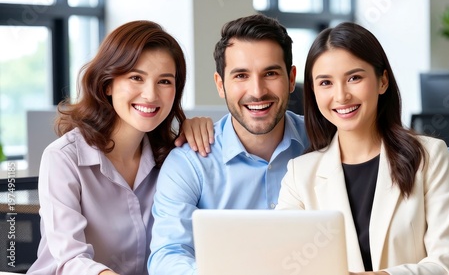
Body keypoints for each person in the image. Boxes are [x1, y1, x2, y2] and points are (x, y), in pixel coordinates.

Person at [275, 22, 449, 274]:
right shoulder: (299, 174)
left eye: (354, 78)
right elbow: (285, 263)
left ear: (382, 81)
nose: (341, 95)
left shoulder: (429, 157)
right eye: (325, 83)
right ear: (313, 91)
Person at [147, 14, 309, 275]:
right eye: (241, 75)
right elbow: (168, 254)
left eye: (270, 73)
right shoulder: (189, 163)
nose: (257, 91)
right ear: (220, 85)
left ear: (291, 79)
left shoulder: (324, 142)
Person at [27, 20, 188, 275]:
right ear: (108, 84)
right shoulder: (63, 158)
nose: (150, 95)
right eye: (136, 77)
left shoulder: (174, 158)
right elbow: (70, 260)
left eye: (165, 81)